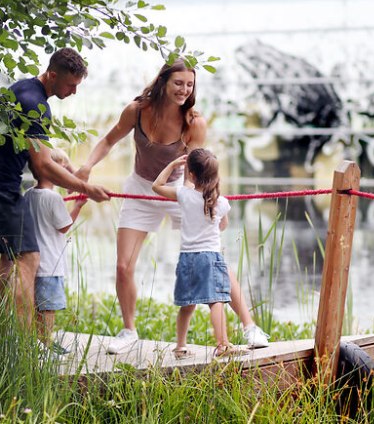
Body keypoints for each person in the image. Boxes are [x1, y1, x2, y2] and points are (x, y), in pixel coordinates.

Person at [75, 61, 269, 354]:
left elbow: (198, 171)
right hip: (141, 187)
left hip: (182, 189)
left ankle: (250, 327)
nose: (184, 90)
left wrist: (211, 206)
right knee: (123, 265)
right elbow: (109, 140)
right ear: (164, 81)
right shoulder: (137, 110)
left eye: (189, 85)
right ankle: (129, 330)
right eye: (178, 83)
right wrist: (87, 167)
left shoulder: (193, 122)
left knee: (214, 257)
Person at [0, 48, 110, 334]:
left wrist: (66, 165)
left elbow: (33, 148)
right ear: (53, 75)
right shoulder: (36, 104)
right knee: (29, 257)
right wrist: (85, 188)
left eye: (77, 86)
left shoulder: (24, 89)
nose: (73, 92)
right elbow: (42, 166)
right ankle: (24, 342)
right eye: (71, 85)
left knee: (10, 257)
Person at [152, 149, 249, 359]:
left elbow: (156, 186)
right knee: (216, 301)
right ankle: (223, 345)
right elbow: (223, 225)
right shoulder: (221, 202)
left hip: (187, 257)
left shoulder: (184, 195)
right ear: (215, 175)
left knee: (187, 305)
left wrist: (173, 166)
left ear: (192, 175)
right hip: (210, 257)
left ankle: (180, 347)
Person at [27, 149, 87, 355]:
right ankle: (46, 344)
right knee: (48, 308)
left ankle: (37, 342)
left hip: (32, 263)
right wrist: (78, 206)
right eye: (62, 168)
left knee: (35, 305)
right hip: (50, 263)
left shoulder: (28, 194)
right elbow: (64, 226)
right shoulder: (53, 198)